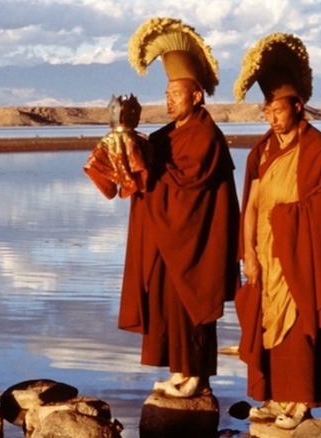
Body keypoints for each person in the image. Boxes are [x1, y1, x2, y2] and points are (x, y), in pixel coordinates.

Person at [232, 33, 321, 429]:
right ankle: (275, 396)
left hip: (300, 251)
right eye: (267, 110)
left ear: (298, 106)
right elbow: (252, 204)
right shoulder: (262, 151)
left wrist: (292, 218)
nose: (272, 118)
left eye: (278, 109)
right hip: (266, 253)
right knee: (265, 325)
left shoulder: (318, 148)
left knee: (299, 327)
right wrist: (249, 252)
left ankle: (300, 401)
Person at [119, 17, 240, 398]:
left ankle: (196, 375)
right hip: (169, 239)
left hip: (196, 243)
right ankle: (179, 369)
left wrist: (148, 165)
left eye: (176, 93)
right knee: (167, 303)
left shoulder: (206, 136)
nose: (169, 100)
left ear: (197, 96)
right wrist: (126, 141)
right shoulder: (167, 136)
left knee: (192, 303)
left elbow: (187, 184)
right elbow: (146, 166)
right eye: (166, 93)